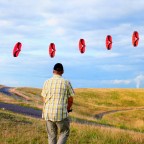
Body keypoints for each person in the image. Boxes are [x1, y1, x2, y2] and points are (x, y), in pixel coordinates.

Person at [41, 63, 75, 144]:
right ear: (62, 71)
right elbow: (70, 99)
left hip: (48, 113)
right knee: (64, 132)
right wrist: (67, 109)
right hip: (61, 113)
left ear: (53, 71)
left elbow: (44, 97)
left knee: (51, 135)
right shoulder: (66, 82)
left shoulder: (47, 82)